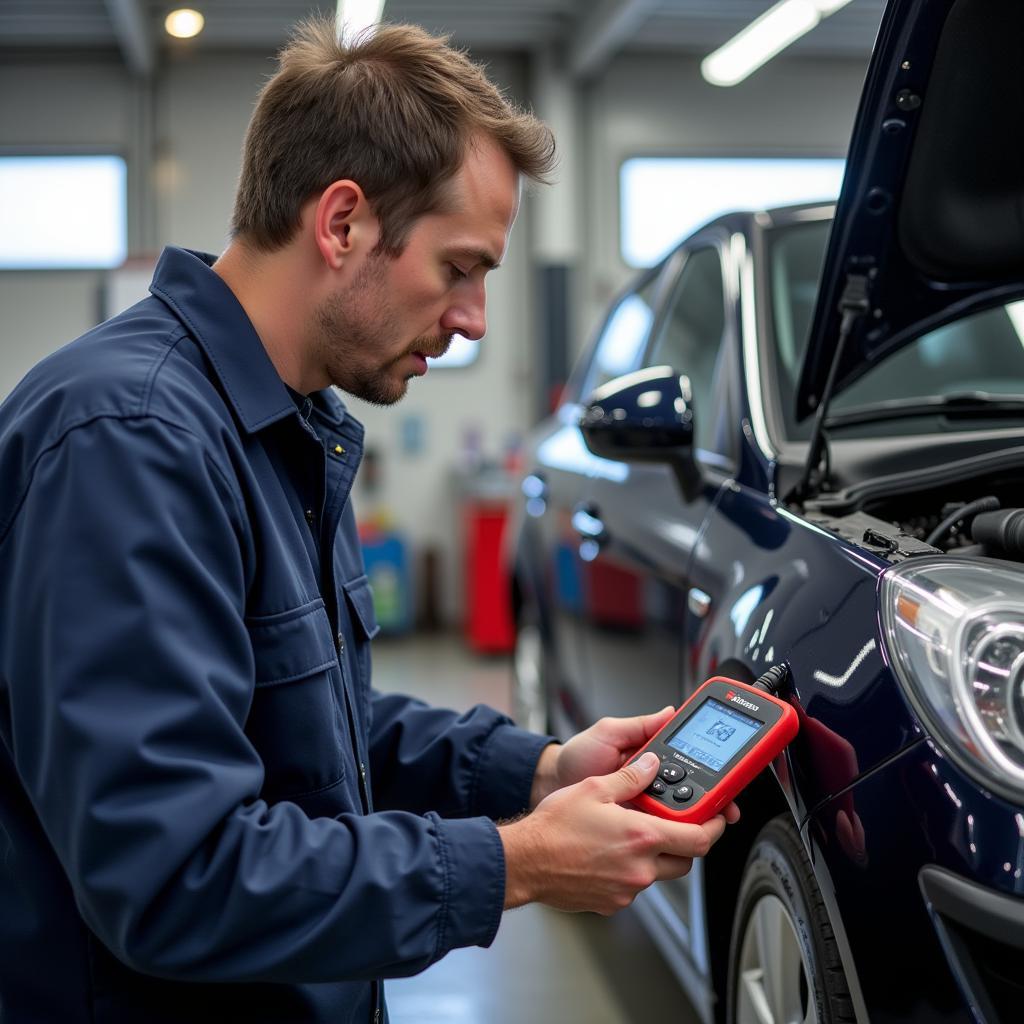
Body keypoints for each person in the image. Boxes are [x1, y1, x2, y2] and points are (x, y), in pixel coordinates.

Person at [0, 18, 739, 1024]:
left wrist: (537, 769)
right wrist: (513, 864)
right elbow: (173, 875)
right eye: (459, 268)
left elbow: (308, 736)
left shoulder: (286, 425)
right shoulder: (128, 439)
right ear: (341, 222)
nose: (476, 316)